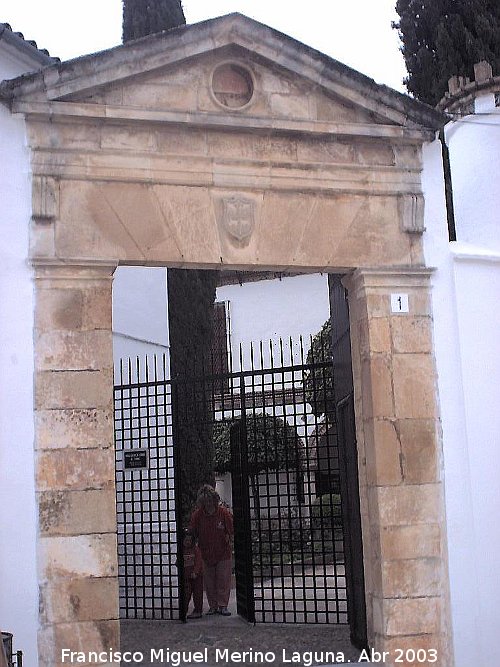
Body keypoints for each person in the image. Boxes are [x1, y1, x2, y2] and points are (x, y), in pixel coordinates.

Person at [189, 485, 234, 616]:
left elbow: (230, 528)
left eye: (210, 500)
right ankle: (213, 606)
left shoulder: (223, 513)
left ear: (214, 500)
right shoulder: (197, 515)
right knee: (209, 582)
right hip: (205, 552)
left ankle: (222, 605)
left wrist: (228, 538)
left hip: (223, 551)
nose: (208, 504)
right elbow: (192, 532)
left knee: (223, 580)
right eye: (205, 501)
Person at [182, 528, 204, 619]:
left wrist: (195, 572)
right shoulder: (182, 550)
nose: (187, 542)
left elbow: (198, 562)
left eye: (189, 540)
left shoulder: (196, 550)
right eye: (186, 540)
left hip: (196, 576)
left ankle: (198, 610)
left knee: (197, 593)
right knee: (186, 594)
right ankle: (183, 610)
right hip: (186, 576)